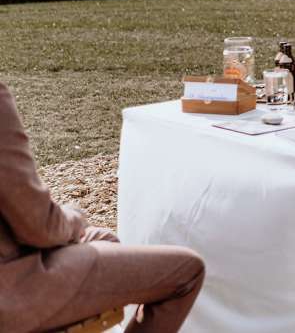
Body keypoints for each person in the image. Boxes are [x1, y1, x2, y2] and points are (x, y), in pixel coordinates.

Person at [0, 82, 205, 333]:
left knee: (104, 239)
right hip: (13, 288)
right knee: (187, 270)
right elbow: (41, 228)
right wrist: (75, 217)